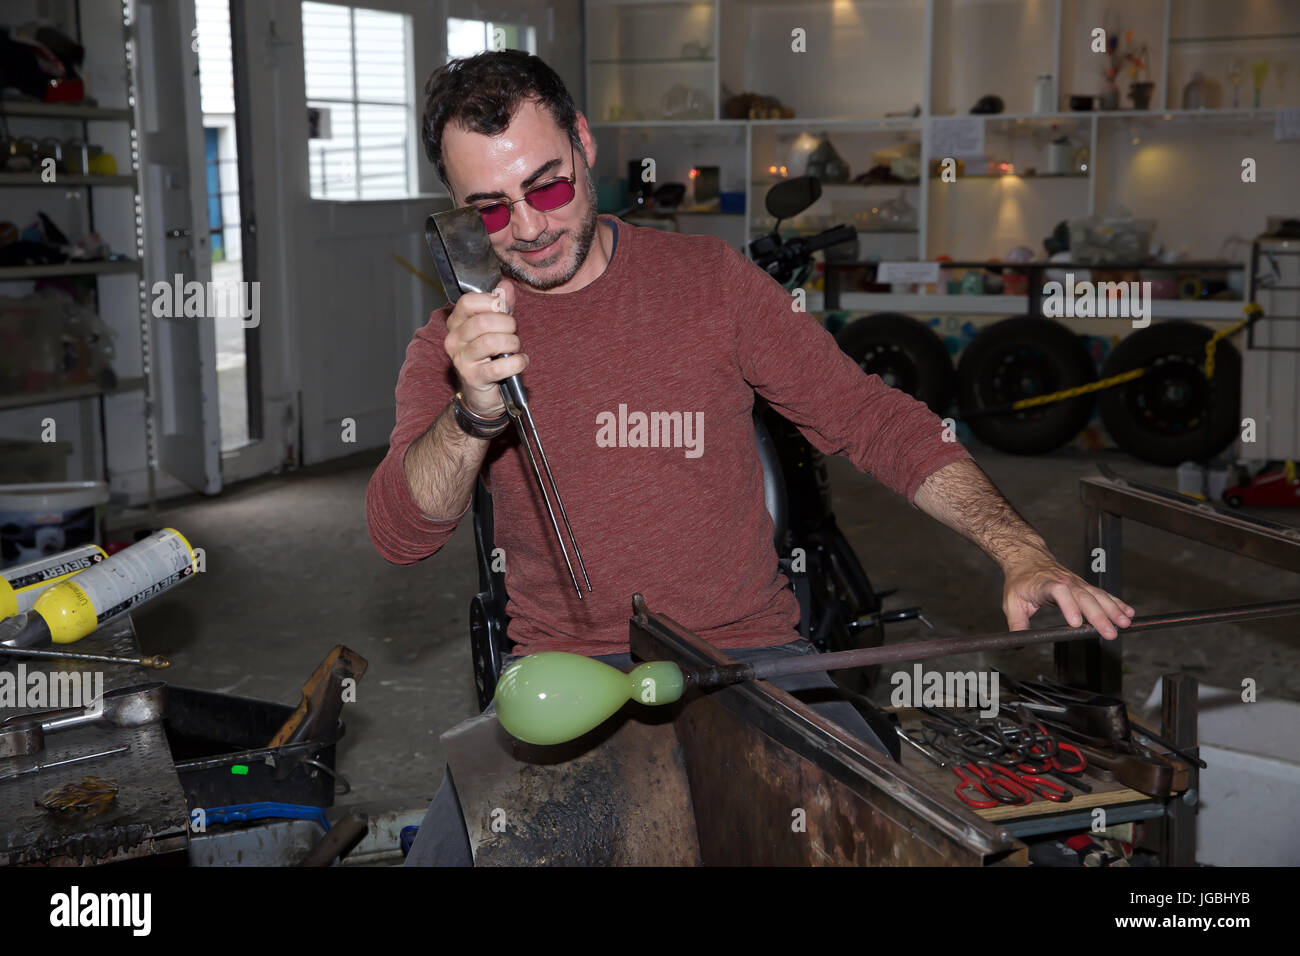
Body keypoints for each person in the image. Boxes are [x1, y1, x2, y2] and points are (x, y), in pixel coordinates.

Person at [365, 50, 1134, 865]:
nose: (528, 226)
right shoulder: (454, 345)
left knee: (910, 849)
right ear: (454, 211)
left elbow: (871, 417)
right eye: (488, 209)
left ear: (586, 143)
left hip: (749, 659)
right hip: (561, 680)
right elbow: (400, 533)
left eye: (548, 186)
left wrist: (1020, 550)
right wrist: (470, 414)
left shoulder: (709, 283)